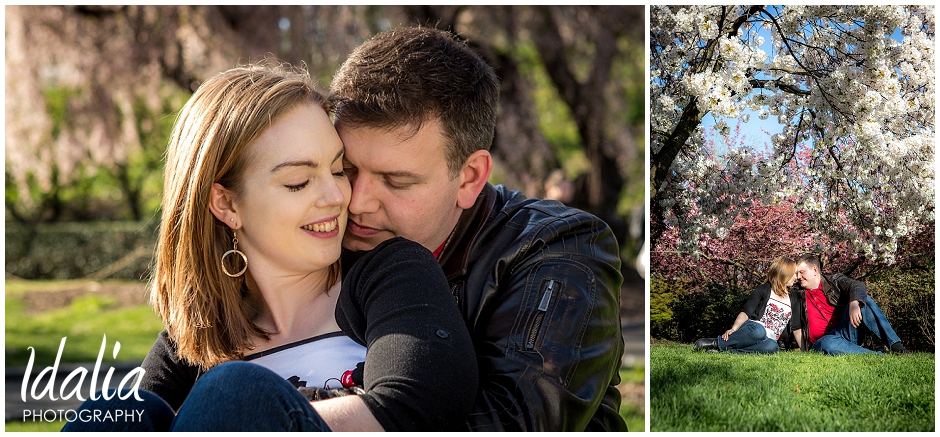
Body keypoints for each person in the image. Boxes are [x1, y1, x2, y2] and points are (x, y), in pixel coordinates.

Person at [62, 63, 477, 432]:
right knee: (114, 411)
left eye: (338, 169)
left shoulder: (389, 273)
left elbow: (422, 404)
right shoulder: (194, 337)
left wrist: (260, 414)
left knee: (234, 393)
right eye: (299, 181)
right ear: (226, 204)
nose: (337, 196)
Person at [328, 26, 626, 431]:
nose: (357, 202)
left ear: (469, 177)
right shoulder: (320, 237)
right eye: (343, 170)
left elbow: (515, 420)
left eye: (396, 181)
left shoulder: (560, 249)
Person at [794, 254, 909, 355]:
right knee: (827, 343)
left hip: (846, 331)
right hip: (822, 342)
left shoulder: (834, 281)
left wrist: (854, 303)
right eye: (796, 273)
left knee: (864, 300)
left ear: (815, 270)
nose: (798, 277)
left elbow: (857, 286)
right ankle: (879, 355)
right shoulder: (797, 294)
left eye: (801, 272)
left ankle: (897, 348)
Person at [693, 256, 802, 354]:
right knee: (759, 331)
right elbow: (746, 312)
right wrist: (734, 329)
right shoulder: (763, 289)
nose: (797, 277)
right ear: (785, 273)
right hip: (753, 330)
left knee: (772, 347)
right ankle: (716, 343)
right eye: (795, 274)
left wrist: (804, 349)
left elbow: (796, 326)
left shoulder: (794, 297)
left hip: (768, 340)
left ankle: (726, 351)